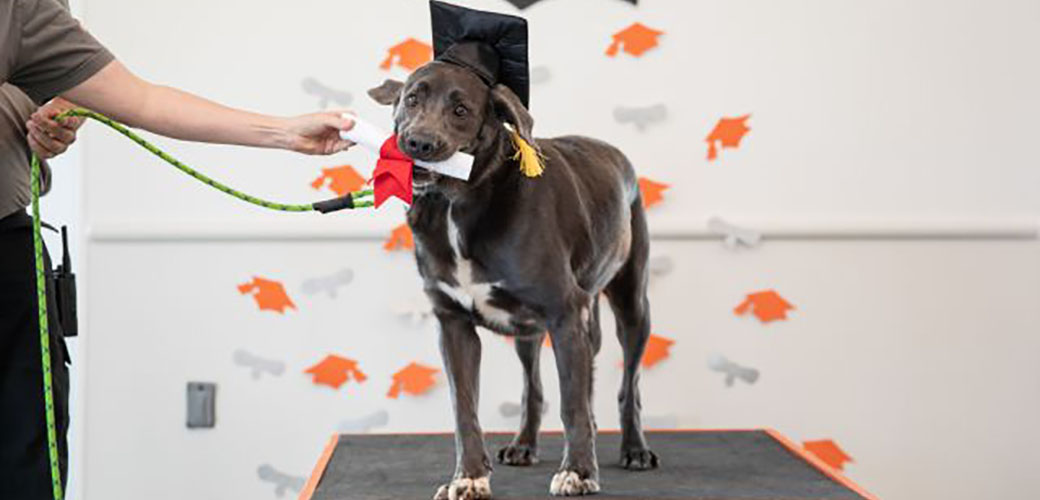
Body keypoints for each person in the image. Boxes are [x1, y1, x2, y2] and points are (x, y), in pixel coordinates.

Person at [0, 0, 355, 498]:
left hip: (6, 259)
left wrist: (284, 132)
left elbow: (142, 101)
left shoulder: (21, 9)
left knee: (25, 472)